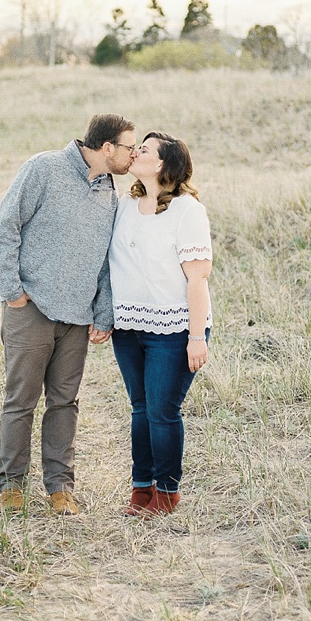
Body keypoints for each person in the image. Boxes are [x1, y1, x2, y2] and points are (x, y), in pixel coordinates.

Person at [0, 113, 137, 516]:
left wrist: (103, 313)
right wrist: (13, 293)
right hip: (30, 310)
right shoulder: (45, 168)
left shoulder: (110, 191)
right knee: (21, 400)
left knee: (64, 403)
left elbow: (108, 260)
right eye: (130, 147)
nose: (134, 155)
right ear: (106, 148)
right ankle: (11, 485)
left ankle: (60, 487)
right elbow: (5, 227)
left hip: (77, 319)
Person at [109, 132, 212, 517]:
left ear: (163, 165)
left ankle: (167, 493)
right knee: (140, 408)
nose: (136, 151)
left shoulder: (187, 211)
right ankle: (141, 488)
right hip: (129, 325)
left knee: (162, 411)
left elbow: (197, 279)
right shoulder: (125, 204)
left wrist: (196, 336)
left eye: (145, 149)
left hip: (174, 328)